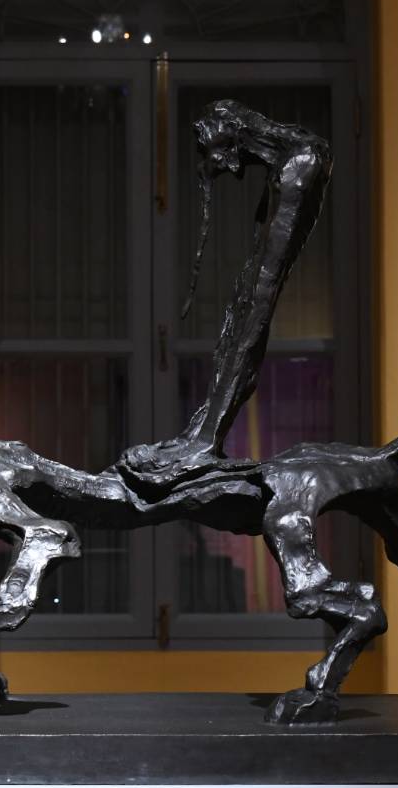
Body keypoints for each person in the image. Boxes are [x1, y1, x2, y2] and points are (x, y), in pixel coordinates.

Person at [113, 100, 331, 497]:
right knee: (242, 310)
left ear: (232, 135)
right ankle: (202, 433)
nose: (214, 163)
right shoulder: (286, 158)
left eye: (210, 150)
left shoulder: (300, 163)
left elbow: (265, 284)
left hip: (262, 283)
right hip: (260, 269)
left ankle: (206, 438)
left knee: (250, 314)